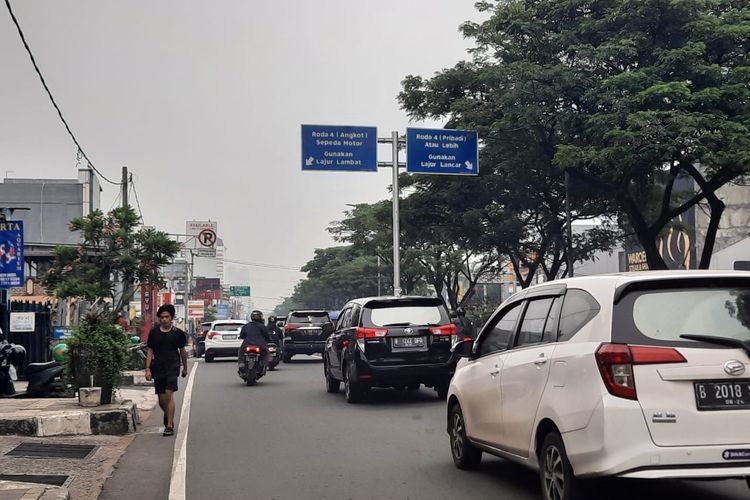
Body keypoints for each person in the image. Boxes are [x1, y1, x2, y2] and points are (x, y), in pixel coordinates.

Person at [145, 304, 188, 437]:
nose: (164, 319)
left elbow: (182, 352)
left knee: (169, 394)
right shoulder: (154, 332)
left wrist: (185, 368)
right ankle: (167, 413)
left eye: (167, 317)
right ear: (159, 318)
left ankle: (169, 425)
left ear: (172, 317)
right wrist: (147, 369)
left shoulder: (178, 334)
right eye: (162, 317)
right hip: (157, 367)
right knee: (161, 399)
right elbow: (150, 350)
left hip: (172, 367)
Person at [238, 310, 271, 375]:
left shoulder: (246, 326)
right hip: (260, 345)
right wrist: (269, 340)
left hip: (247, 344)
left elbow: (242, 335)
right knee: (266, 353)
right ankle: (263, 364)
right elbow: (267, 336)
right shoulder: (262, 326)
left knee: (241, 352)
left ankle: (241, 363)